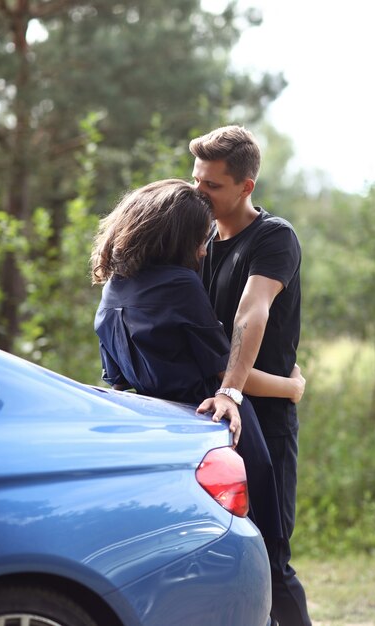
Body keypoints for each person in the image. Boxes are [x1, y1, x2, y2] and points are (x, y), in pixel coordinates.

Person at [91, 178, 305, 549]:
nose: (203, 251)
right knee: (267, 549)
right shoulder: (181, 284)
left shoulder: (114, 289)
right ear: (174, 236)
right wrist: (291, 387)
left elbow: (116, 378)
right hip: (218, 427)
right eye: (197, 239)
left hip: (159, 433)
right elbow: (225, 370)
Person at [189, 125, 311, 626]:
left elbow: (251, 311)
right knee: (217, 563)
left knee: (271, 562)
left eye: (212, 185)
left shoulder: (274, 237)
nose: (199, 193)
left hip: (266, 424)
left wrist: (234, 388)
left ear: (246, 186)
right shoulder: (197, 242)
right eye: (196, 180)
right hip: (210, 424)